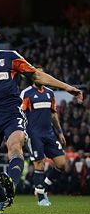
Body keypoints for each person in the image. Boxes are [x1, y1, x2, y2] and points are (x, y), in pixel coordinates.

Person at [0, 22, 83, 214]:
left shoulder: (10, 57)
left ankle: (11, 184)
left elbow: (36, 75)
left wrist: (66, 87)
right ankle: (3, 197)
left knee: (15, 144)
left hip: (12, 112)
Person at [20, 66, 69, 206]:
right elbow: (21, 114)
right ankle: (41, 198)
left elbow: (53, 114)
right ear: (33, 77)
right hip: (34, 134)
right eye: (37, 74)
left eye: (42, 74)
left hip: (49, 133)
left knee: (61, 164)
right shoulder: (26, 93)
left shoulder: (50, 93)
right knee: (39, 163)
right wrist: (22, 132)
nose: (40, 76)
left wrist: (59, 132)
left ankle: (43, 188)